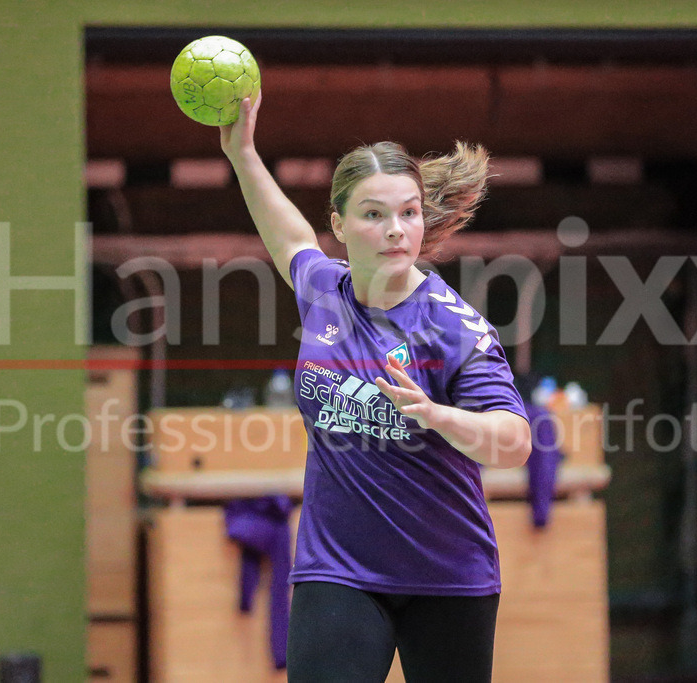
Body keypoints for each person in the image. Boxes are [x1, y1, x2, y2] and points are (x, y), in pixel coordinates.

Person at [220, 92, 532, 683]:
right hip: (336, 570)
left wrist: (440, 417)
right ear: (338, 224)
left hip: (446, 575)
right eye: (373, 215)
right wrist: (243, 154)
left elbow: (515, 442)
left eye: (409, 213)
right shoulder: (323, 291)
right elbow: (289, 239)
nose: (396, 231)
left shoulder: (453, 328)